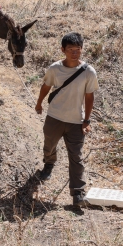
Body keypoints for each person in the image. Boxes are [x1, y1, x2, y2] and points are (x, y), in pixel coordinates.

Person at [34, 32, 98, 207]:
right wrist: (39, 104)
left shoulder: (88, 72)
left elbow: (89, 97)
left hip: (76, 121)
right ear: (63, 50)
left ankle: (78, 193)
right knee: (49, 145)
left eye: (78, 49)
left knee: (76, 157)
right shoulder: (55, 68)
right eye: (70, 49)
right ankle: (49, 163)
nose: (74, 53)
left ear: (82, 49)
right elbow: (45, 86)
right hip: (54, 117)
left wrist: (87, 120)